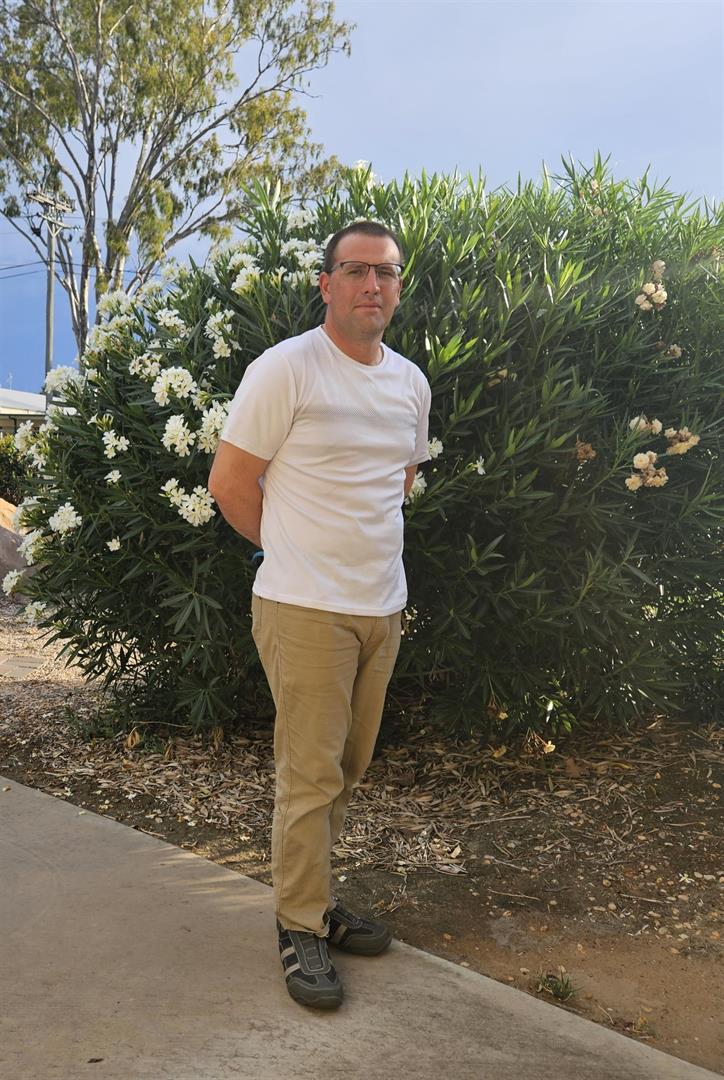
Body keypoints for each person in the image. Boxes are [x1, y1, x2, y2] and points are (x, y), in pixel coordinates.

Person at [208, 220, 431, 1010]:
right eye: (357, 270)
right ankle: (299, 923)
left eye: (387, 272)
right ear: (326, 283)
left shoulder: (409, 383)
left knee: (345, 768)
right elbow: (229, 483)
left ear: (397, 287)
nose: (373, 285)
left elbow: (399, 481)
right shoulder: (287, 368)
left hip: (381, 607)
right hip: (304, 608)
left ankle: (315, 898)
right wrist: (293, 550)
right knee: (309, 775)